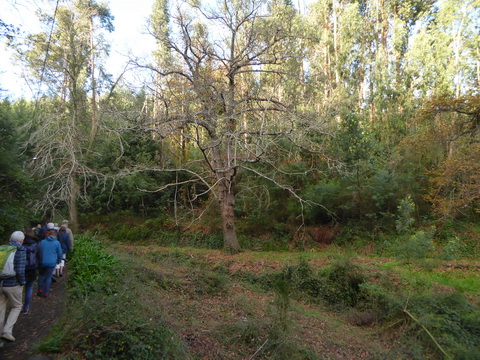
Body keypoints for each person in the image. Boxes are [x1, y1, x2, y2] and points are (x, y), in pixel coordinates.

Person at [0, 231, 26, 342]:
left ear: (10, 238)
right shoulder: (20, 250)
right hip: (13, 284)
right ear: (21, 241)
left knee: (0, 309)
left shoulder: (2, 248)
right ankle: (7, 331)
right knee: (16, 306)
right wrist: (22, 282)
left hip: (0, 283)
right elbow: (20, 270)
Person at [37, 229, 62, 298]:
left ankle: (40, 290)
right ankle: (46, 292)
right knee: (48, 277)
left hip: (42, 261)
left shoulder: (42, 242)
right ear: (55, 235)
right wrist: (58, 261)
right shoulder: (57, 243)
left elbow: (38, 251)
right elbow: (60, 253)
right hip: (51, 262)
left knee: (41, 275)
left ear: (48, 234)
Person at [21, 229, 39, 314]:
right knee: (29, 287)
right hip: (32, 268)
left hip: (21, 268)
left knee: (20, 287)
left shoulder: (21, 244)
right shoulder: (36, 244)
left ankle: (17, 305)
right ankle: (26, 307)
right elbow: (38, 256)